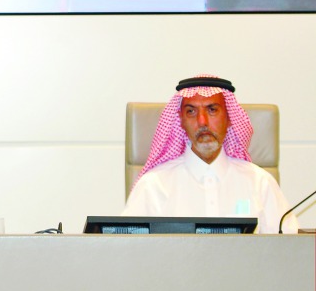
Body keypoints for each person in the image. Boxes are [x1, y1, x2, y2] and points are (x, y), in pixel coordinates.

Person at [123, 74, 297, 233]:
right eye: (191, 111)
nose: (202, 122)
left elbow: (289, 250)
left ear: (229, 119)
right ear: (181, 121)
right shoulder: (154, 186)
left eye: (212, 110)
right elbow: (130, 251)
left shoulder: (260, 183)